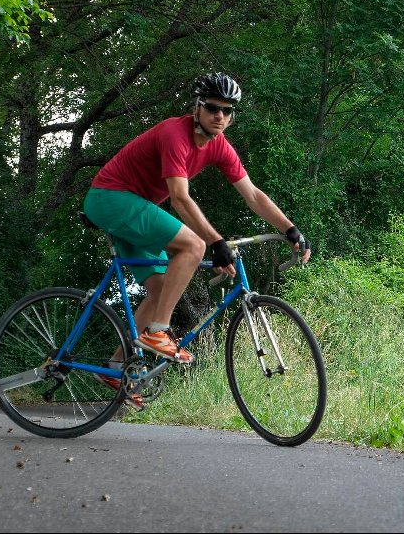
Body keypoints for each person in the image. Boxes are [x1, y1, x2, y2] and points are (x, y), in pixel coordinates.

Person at [82, 72, 311, 405]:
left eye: (228, 111)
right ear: (197, 108)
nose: (221, 116)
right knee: (193, 245)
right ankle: (157, 332)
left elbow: (253, 196)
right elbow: (179, 198)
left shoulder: (218, 146)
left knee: (161, 288)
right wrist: (215, 241)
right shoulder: (175, 134)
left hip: (134, 207)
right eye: (214, 108)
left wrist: (290, 229)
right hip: (112, 198)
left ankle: (115, 364)